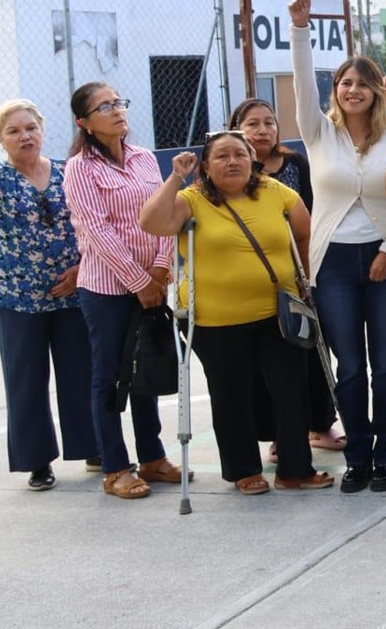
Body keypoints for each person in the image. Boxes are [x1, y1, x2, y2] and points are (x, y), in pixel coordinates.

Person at [139, 132, 332, 493]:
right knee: (231, 394)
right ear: (207, 168)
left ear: (251, 160)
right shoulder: (191, 199)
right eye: (222, 156)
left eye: (240, 155)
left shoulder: (276, 192)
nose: (232, 162)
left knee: (291, 390)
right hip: (216, 320)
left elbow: (304, 232)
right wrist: (175, 177)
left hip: (277, 313)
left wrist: (303, 280)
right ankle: (244, 470)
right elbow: (152, 222)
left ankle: (295, 469)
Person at [289, 0, 386, 494]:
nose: (352, 90)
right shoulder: (319, 134)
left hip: (385, 259)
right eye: (344, 83)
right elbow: (302, 85)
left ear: (376, 92)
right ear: (336, 91)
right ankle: (358, 457)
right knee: (349, 366)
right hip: (334, 264)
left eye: (361, 83)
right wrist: (300, 29)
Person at [63, 82, 185, 500]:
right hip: (107, 290)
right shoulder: (80, 167)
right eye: (104, 107)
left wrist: (161, 266)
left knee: (145, 371)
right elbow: (97, 231)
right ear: (84, 122)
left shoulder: (144, 159)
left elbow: (165, 212)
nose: (117, 111)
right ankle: (115, 467)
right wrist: (137, 281)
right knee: (110, 376)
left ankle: (153, 456)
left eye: (118, 103)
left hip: (152, 281)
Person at [228, 97, 346, 455]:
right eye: (252, 124)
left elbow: (314, 212)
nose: (263, 130)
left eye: (269, 122)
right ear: (236, 129)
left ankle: (320, 424)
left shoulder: (293, 164)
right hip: (250, 278)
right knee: (268, 364)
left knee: (310, 349)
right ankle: (284, 433)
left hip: (297, 271)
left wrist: (308, 274)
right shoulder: (230, 167)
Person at [0, 99, 97, 490]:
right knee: (26, 380)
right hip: (16, 299)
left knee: (81, 373)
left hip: (73, 292)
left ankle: (91, 446)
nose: (25, 136)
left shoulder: (69, 172)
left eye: (30, 127)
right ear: (1, 140)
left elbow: (89, 224)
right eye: (13, 131)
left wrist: (81, 269)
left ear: (43, 129)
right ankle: (38, 462)